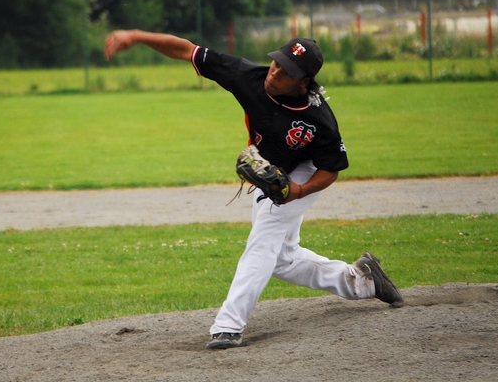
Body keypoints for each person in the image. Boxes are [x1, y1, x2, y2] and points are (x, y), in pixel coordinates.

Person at [104, 29, 404, 350]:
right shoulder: (247, 76)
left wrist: (299, 191)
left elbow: (331, 169)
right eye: (276, 62)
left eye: (287, 71)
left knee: (263, 241)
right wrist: (135, 36)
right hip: (272, 169)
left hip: (306, 170)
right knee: (281, 260)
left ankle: (228, 325)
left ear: (304, 82)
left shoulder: (319, 120)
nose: (275, 72)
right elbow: (187, 50)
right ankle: (361, 280)